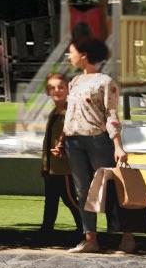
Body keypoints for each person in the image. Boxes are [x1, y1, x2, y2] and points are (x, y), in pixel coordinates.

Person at [59, 37, 138, 255]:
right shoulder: (74, 82)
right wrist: (62, 139)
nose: (69, 56)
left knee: (111, 187)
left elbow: (111, 114)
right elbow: (72, 114)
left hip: (98, 140)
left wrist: (118, 145)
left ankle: (127, 236)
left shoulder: (105, 82)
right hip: (74, 141)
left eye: (72, 52)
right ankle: (90, 238)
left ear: (84, 55)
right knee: (82, 189)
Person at [37, 72, 81, 239]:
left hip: (64, 167)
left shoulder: (70, 111)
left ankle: (86, 228)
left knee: (70, 199)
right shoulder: (54, 112)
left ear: (68, 89)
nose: (57, 90)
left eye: (61, 87)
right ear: (48, 91)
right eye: (52, 88)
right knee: (51, 200)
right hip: (52, 166)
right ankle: (46, 230)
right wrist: (45, 165)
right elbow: (48, 140)